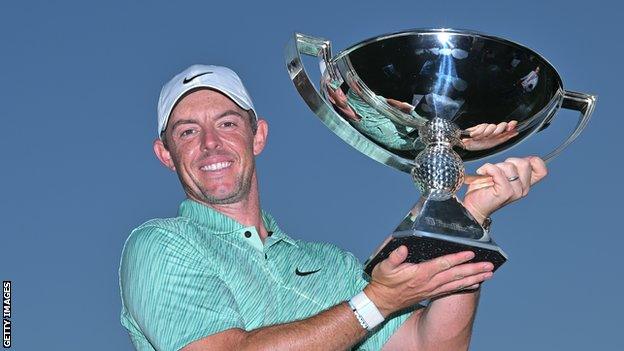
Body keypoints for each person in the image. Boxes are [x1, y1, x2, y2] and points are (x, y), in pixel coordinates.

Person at [119, 64, 548, 351]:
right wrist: (375, 301)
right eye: (187, 131)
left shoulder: (334, 267)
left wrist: (463, 218)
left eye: (227, 123)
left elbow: (431, 345)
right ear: (165, 153)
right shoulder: (160, 245)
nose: (210, 143)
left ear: (258, 136)